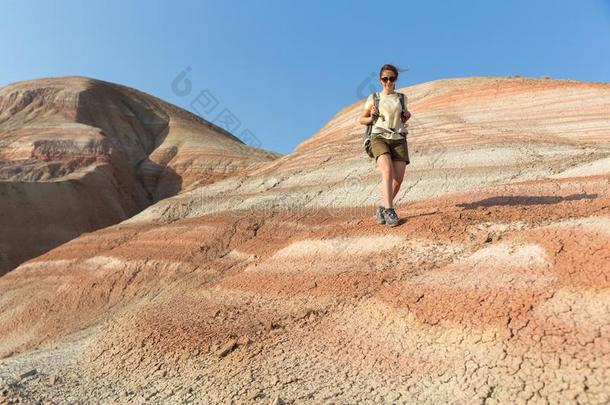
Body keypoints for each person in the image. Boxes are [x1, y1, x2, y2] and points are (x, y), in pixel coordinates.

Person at [359, 64, 411, 227]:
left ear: (396, 79)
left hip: (398, 138)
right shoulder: (374, 98)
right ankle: (390, 210)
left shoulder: (402, 98)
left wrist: (406, 115)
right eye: (385, 78)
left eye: (391, 78)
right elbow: (362, 119)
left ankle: (382, 206)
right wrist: (372, 116)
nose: (388, 81)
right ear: (380, 80)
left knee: (398, 180)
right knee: (387, 171)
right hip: (379, 136)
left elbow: (402, 117)